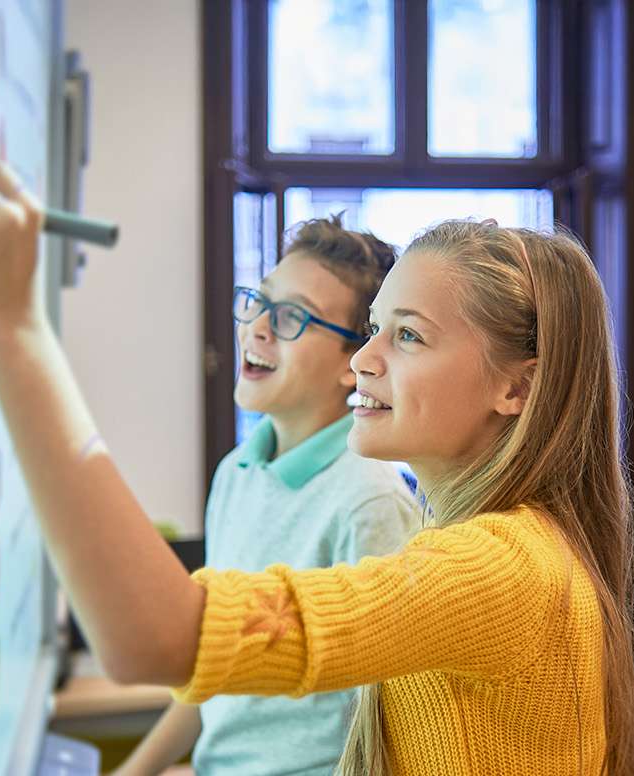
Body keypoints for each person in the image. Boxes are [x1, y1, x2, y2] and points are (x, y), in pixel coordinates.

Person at [0, 163, 634, 775]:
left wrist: (11, 328)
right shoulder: (496, 544)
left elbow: (154, 637)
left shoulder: (494, 570)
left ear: (515, 388)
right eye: (373, 331)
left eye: (407, 337)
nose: (364, 362)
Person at [114, 217, 419, 776]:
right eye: (260, 302)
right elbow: (213, 664)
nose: (257, 328)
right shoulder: (237, 471)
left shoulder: (369, 502)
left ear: (355, 364)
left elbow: (390, 726)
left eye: (291, 317)